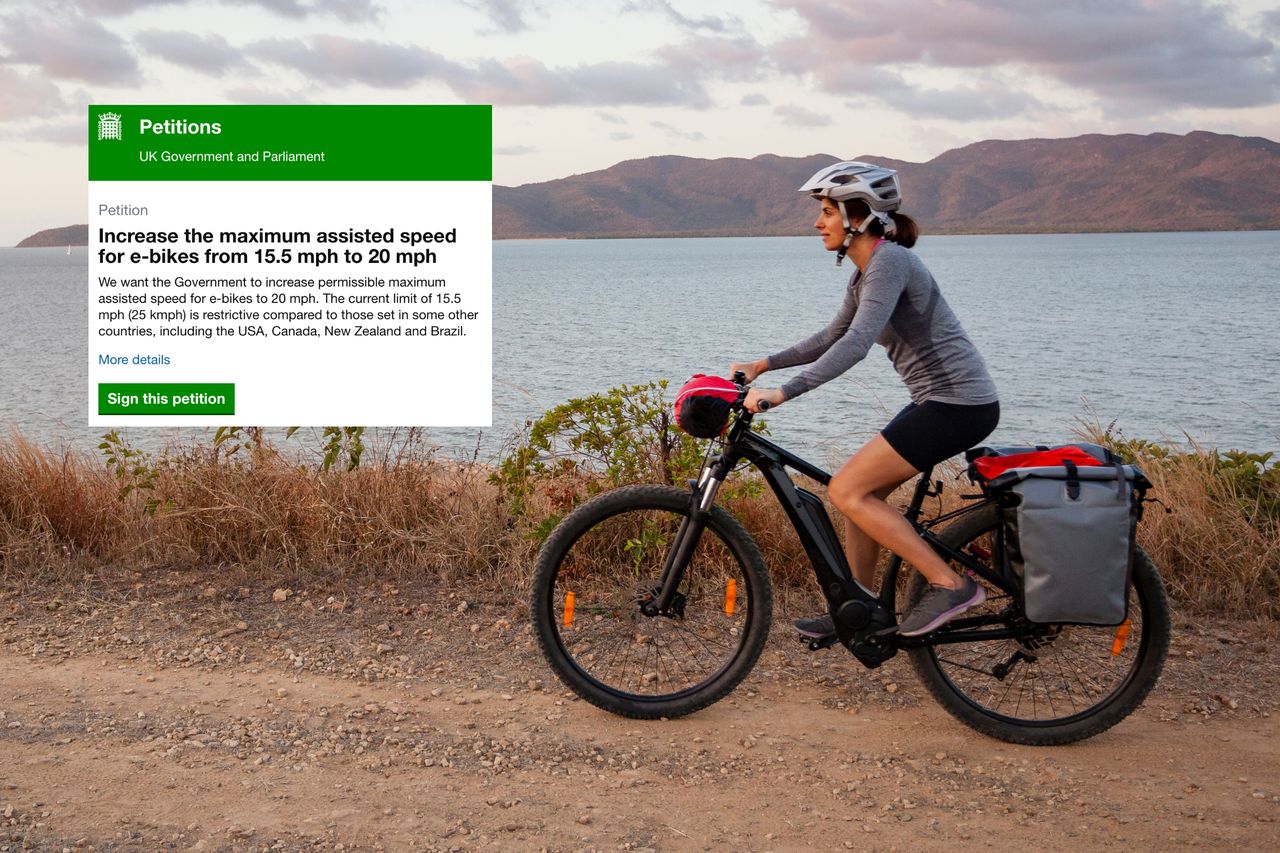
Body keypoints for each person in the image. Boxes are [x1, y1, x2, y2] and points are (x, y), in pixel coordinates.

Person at [730, 161, 1000, 637]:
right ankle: (858, 608)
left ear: (861, 216)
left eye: (828, 211)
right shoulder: (866, 274)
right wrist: (763, 365)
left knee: (847, 491)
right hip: (938, 400)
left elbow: (855, 345)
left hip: (958, 403)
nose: (818, 222)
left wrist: (783, 394)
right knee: (859, 493)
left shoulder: (890, 262)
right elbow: (832, 335)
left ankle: (949, 583)